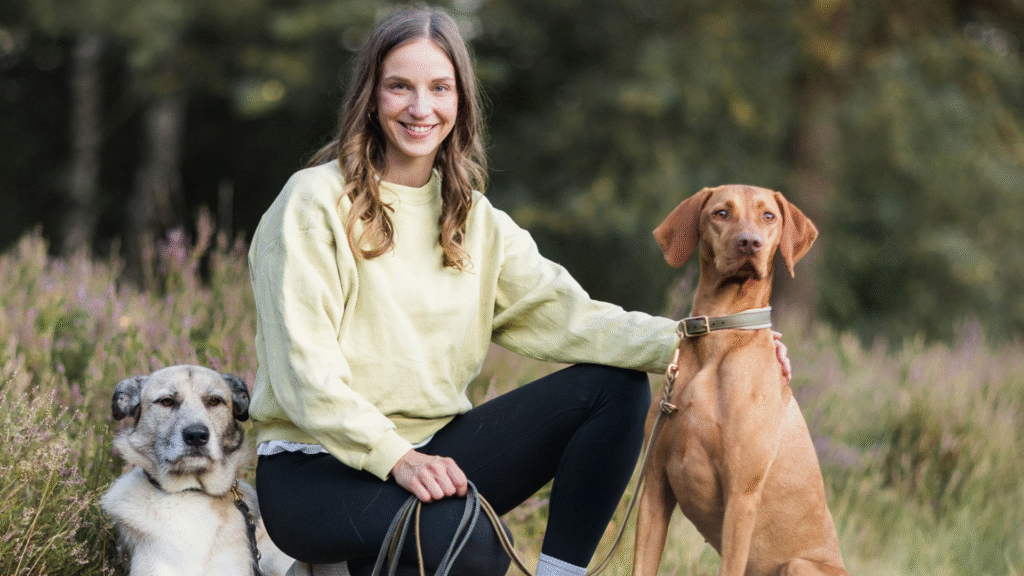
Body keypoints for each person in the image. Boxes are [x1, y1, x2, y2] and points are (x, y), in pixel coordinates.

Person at [247, 6, 790, 576]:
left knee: (615, 389)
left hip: (432, 453)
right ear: (370, 96)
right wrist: (395, 458)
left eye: (439, 88)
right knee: (474, 540)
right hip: (318, 472)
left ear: (460, 103)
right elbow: (303, 374)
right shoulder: (312, 202)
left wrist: (719, 342)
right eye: (398, 87)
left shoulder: (474, 220)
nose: (420, 108)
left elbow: (574, 318)